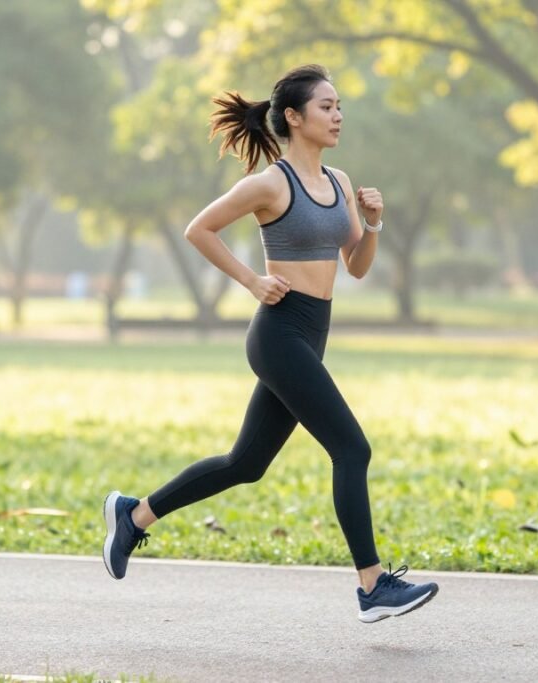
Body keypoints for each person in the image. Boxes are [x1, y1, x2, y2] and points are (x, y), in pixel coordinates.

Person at [101, 65, 438, 623]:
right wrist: (252, 281)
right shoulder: (270, 184)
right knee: (352, 449)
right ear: (294, 117)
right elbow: (199, 229)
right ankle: (372, 586)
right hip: (279, 333)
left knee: (246, 463)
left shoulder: (339, 182)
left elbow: (355, 267)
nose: (338, 116)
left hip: (313, 332)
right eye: (326, 106)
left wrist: (374, 224)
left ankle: (133, 516)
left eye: (339, 106)